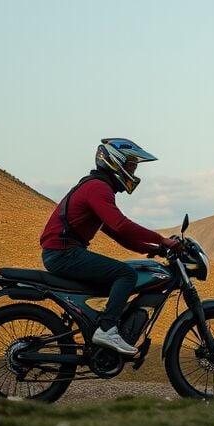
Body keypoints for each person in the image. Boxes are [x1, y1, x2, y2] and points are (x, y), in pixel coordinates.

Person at [39, 138, 180, 355]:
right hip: (63, 253)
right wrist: (162, 239)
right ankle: (107, 329)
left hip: (64, 252)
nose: (133, 171)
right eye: (131, 165)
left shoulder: (96, 187)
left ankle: (102, 325)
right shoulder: (98, 188)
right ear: (116, 162)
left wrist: (152, 248)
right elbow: (121, 224)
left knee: (120, 275)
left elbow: (118, 234)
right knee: (126, 275)